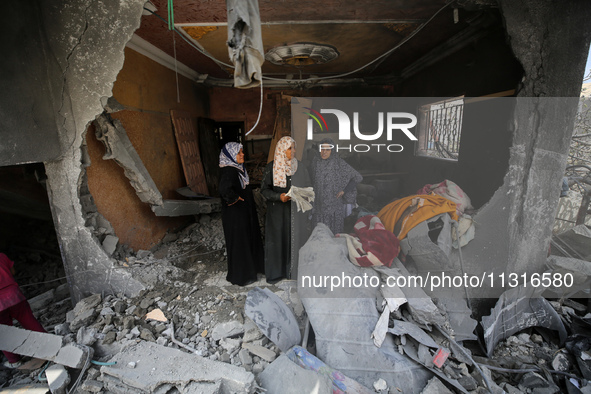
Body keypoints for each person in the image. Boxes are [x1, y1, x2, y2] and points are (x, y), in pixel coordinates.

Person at [261, 136, 310, 283]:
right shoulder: (272, 168)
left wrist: (300, 194)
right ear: (282, 150)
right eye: (290, 148)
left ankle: (293, 272)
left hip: (296, 213)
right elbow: (264, 190)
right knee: (278, 240)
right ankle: (276, 273)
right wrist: (278, 196)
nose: (293, 151)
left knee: (295, 239)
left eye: (294, 148)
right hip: (277, 213)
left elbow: (308, 187)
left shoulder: (300, 167)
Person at [218, 142, 264, 286]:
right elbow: (224, 190)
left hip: (243, 213)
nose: (243, 154)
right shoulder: (229, 171)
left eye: (242, 152)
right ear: (231, 156)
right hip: (235, 216)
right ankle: (241, 276)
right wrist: (236, 198)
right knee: (240, 243)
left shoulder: (238, 169)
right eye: (239, 153)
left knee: (247, 240)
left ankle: (251, 270)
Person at [0, 253, 46, 368]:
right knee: (27, 319)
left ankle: (14, 360)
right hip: (14, 295)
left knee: (3, 332)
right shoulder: (1, 256)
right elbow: (13, 272)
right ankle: (47, 344)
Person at [310, 138, 363, 235]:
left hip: (334, 208)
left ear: (332, 150)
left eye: (327, 150)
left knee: (334, 236)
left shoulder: (339, 163)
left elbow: (357, 177)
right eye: (322, 149)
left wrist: (344, 190)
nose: (324, 152)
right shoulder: (315, 163)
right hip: (319, 208)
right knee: (319, 236)